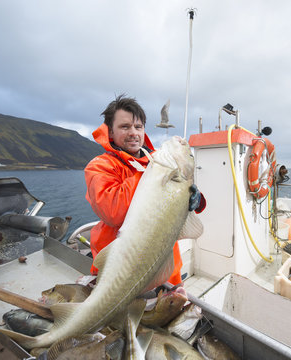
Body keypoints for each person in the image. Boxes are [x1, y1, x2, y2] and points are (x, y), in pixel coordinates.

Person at [84, 94, 205, 286]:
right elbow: (112, 212)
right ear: (110, 133)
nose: (133, 132)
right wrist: (156, 172)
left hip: (167, 272)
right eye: (125, 127)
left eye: (138, 127)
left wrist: (193, 197)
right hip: (119, 273)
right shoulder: (100, 166)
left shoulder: (158, 160)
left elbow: (179, 199)